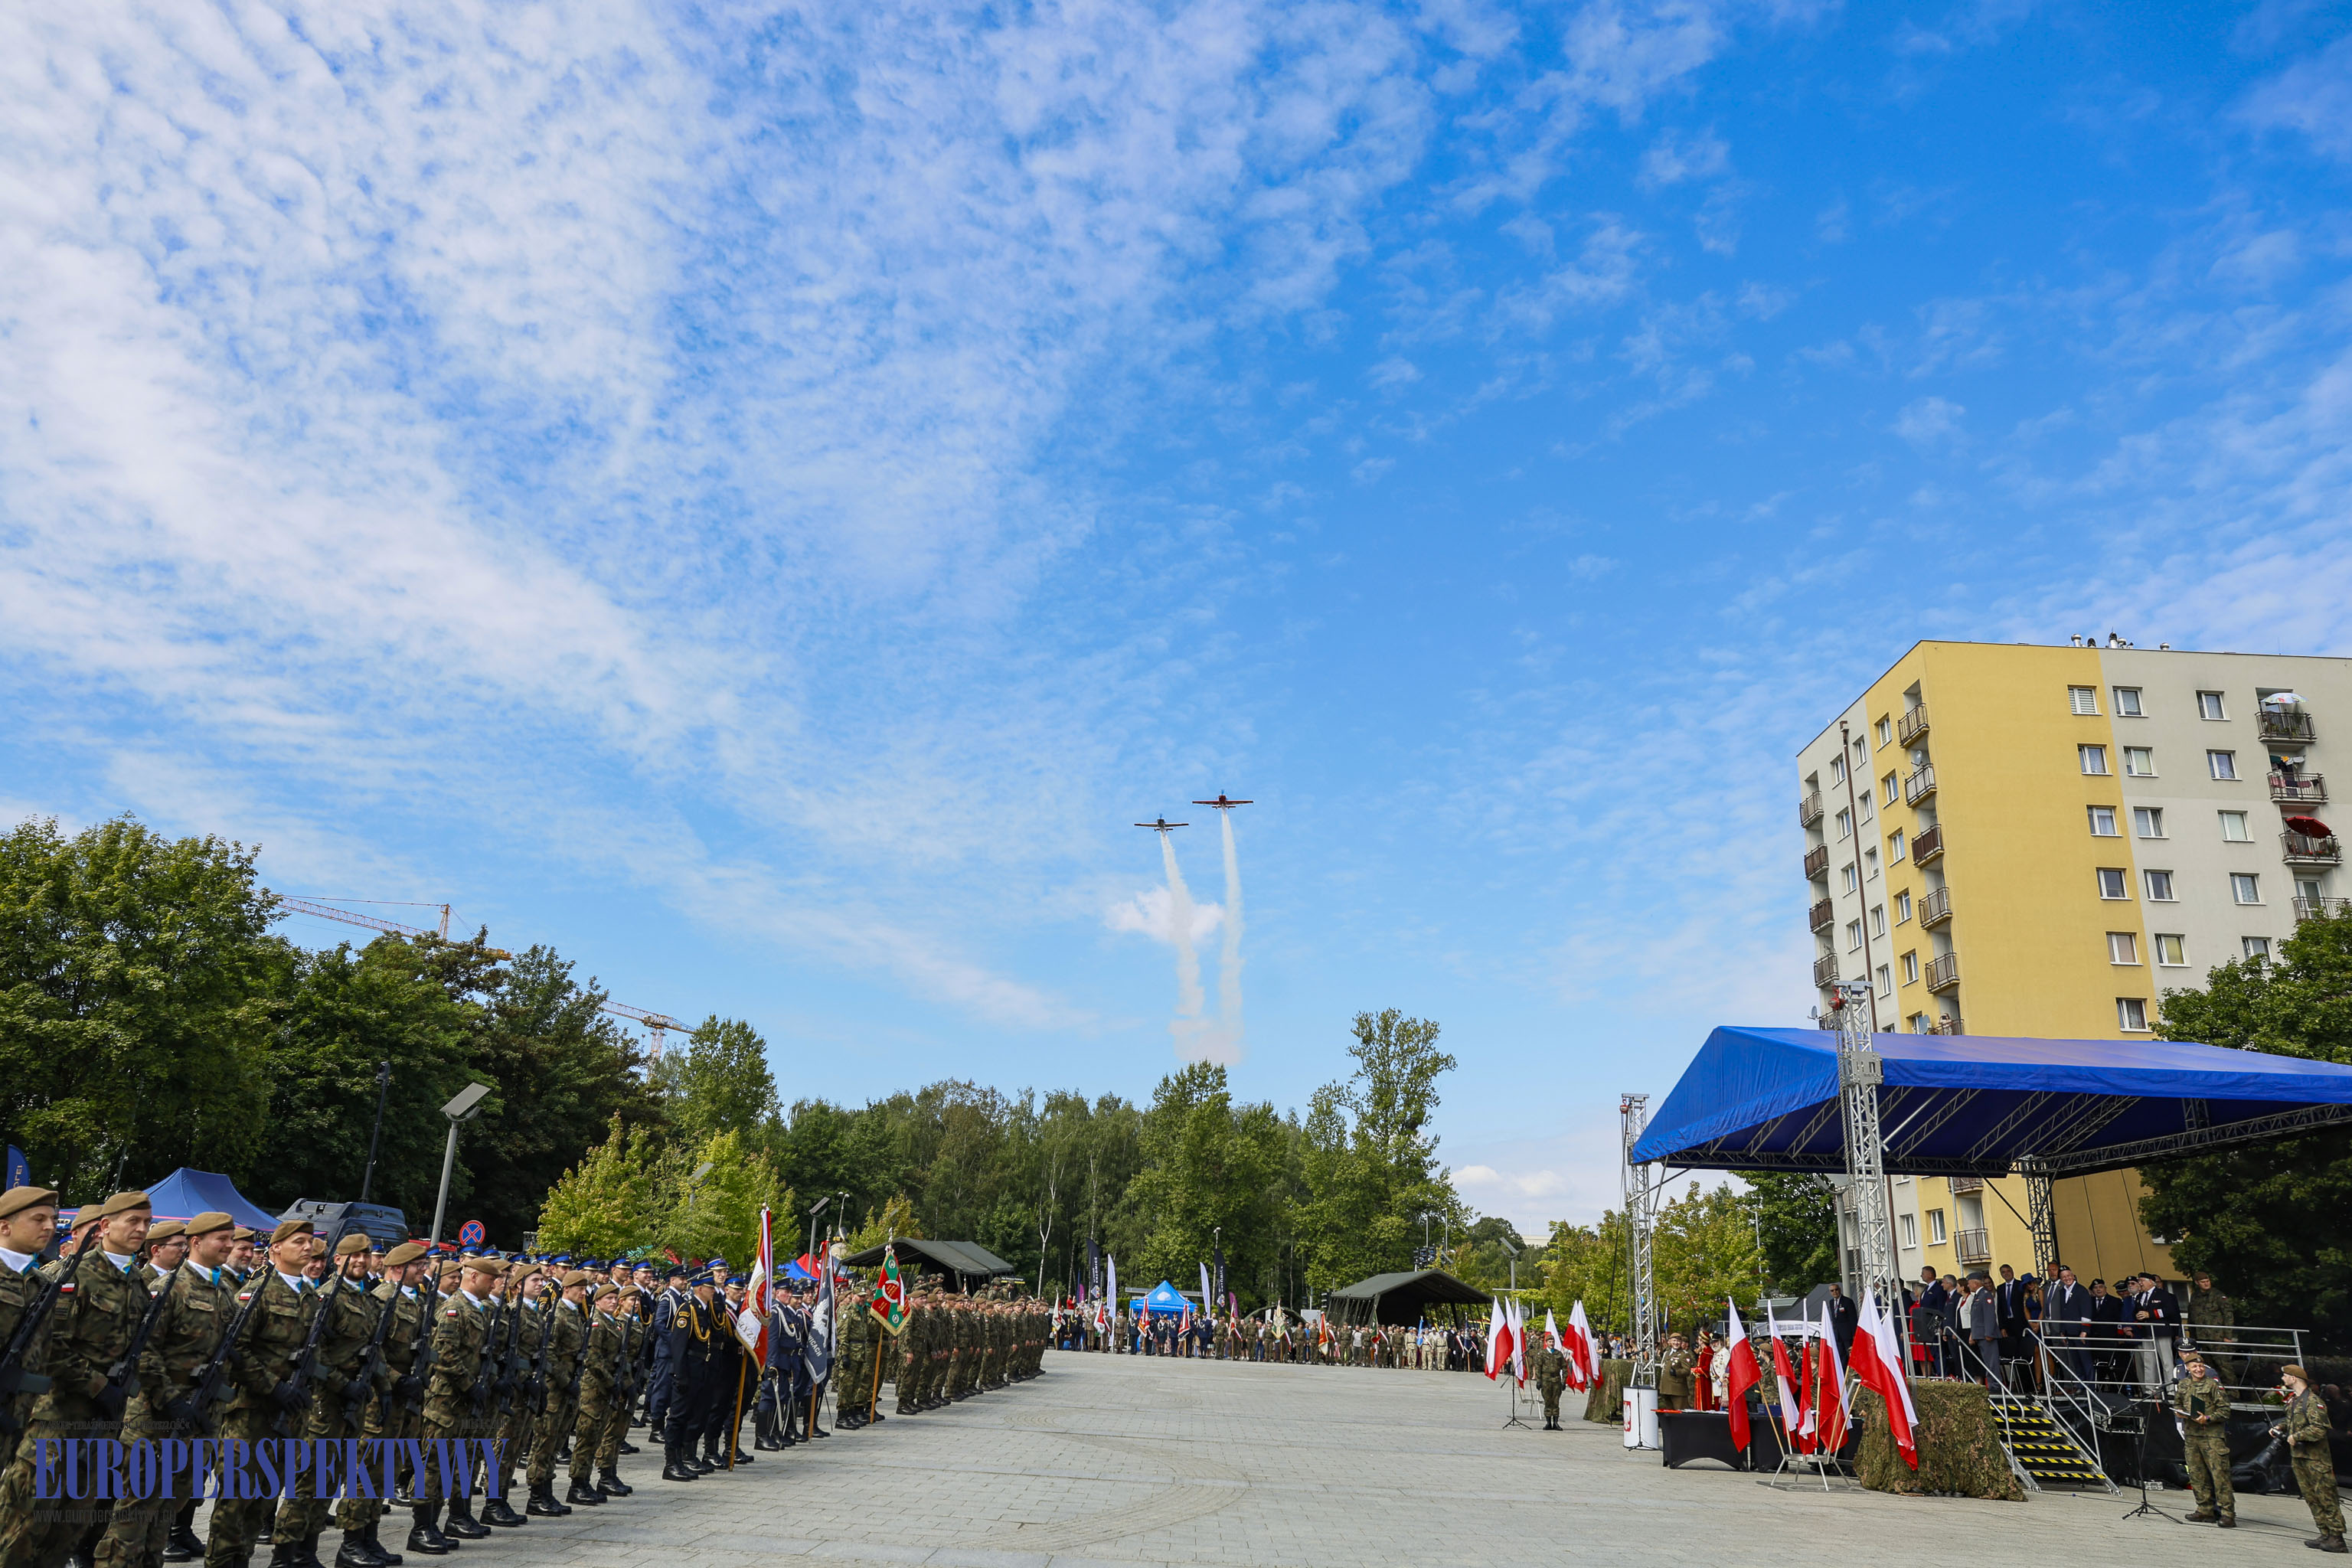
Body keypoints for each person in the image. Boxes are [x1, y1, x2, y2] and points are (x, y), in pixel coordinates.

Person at [2272, 1364, 2346, 1553]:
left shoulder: (2313, 1402)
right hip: (2300, 1457)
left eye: (2285, 1376)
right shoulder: (2294, 1401)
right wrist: (2280, 1428)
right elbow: (2292, 1422)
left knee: (2326, 1496)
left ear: (2293, 1378)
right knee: (2311, 1497)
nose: (2282, 1379)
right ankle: (2325, 1532)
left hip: (2316, 1460)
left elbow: (2319, 1429)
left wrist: (2296, 1437)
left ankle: (2336, 1537)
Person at [2172, 1348, 2235, 1528]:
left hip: (2212, 1436)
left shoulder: (2213, 1385)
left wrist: (2208, 1418)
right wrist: (2181, 1414)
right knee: (2197, 1475)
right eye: (2194, 1366)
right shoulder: (2184, 1385)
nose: (2199, 1369)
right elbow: (2177, 1402)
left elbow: (2225, 1410)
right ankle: (2204, 1510)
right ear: (2188, 1368)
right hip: (2192, 1436)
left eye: (2201, 1366)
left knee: (2219, 1475)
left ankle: (2227, 1513)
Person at [2042, 1266, 2094, 1383]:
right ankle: (2081, 1386)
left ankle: (2091, 1387)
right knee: (2076, 1362)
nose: (2067, 1278)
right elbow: (2063, 1313)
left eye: (2068, 1276)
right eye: (2064, 1277)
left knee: (2085, 1361)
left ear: (2073, 1276)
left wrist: (2084, 1330)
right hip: (2068, 1332)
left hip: (2080, 1332)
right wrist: (2062, 1331)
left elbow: (2086, 1311)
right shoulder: (2062, 1292)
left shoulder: (2081, 1290)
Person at [2129, 1272, 2179, 1392]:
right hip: (2147, 1332)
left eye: (2142, 1280)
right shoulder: (2140, 1296)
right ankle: (2150, 1389)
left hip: (2162, 1332)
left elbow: (2170, 1311)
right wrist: (2138, 1316)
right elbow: (2137, 1311)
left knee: (2166, 1362)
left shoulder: (2164, 1295)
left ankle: (2171, 1389)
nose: (2140, 1283)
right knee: (2149, 1361)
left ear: (2151, 1282)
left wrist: (2150, 1314)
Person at [1963, 1273, 2003, 1388]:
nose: (1968, 1286)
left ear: (1975, 1283)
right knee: (1987, 1363)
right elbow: (1976, 1318)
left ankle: (1995, 1386)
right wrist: (1973, 1334)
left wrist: (1989, 1333)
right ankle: (1991, 1385)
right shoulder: (1978, 1295)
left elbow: (1989, 1316)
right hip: (1980, 1335)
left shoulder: (1985, 1295)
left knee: (1992, 1363)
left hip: (1986, 1335)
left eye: (1969, 1283)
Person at [1657, 1333, 1694, 1411]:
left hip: (1678, 1389)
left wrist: (1676, 1372)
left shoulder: (1684, 1354)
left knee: (1679, 1412)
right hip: (1666, 1388)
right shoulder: (1667, 1353)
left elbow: (1687, 1370)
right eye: (1674, 1341)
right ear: (1669, 1342)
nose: (1676, 1343)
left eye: (1678, 1341)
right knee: (1669, 1412)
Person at [1824, 1285, 1858, 1364]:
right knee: (1841, 1355)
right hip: (1837, 1335)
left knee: (1850, 1354)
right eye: (1832, 1291)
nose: (1835, 1292)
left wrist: (1854, 1334)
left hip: (1848, 1334)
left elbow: (1853, 1319)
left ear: (1840, 1290)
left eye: (1836, 1290)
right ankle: (1843, 1374)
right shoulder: (1831, 1302)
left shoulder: (1847, 1301)